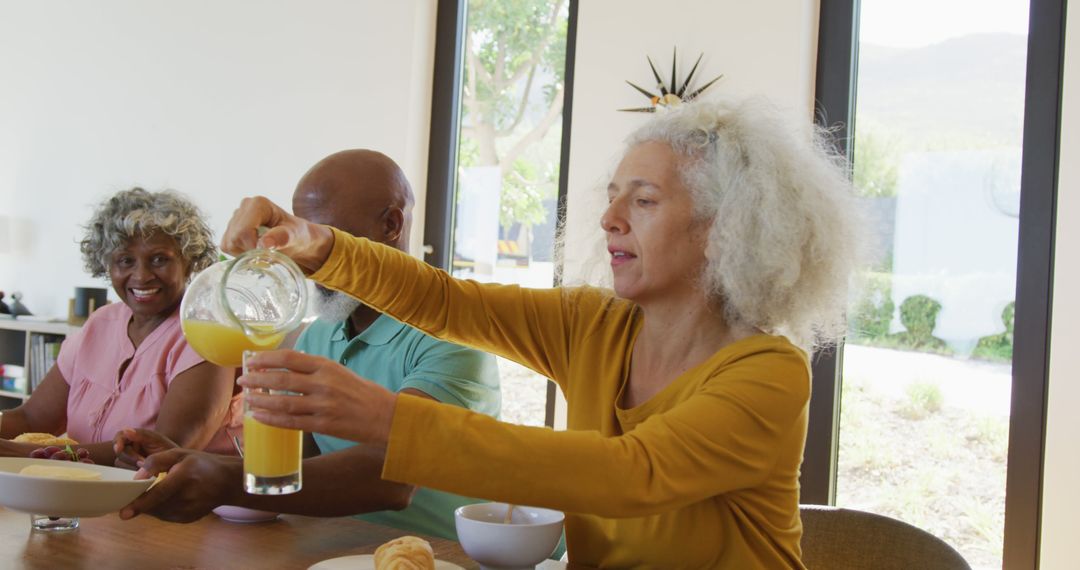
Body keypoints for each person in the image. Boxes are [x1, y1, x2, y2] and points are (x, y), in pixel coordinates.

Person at [131, 99, 862, 568]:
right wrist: (316, 244)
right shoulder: (595, 324)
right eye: (611, 198)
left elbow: (626, 476)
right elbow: (448, 301)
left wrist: (390, 418)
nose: (609, 220)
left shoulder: (768, 372)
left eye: (642, 201)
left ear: (727, 231)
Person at [116, 150, 501, 541]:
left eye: (321, 237)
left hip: (445, 557)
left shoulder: (452, 340)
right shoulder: (320, 334)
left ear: (390, 224)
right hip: (341, 549)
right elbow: (297, 464)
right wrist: (188, 462)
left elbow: (393, 477)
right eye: (297, 238)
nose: (302, 258)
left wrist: (226, 480)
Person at [0, 188, 240, 464]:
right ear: (107, 266)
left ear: (188, 261)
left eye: (159, 259)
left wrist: (23, 454)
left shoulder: (209, 335)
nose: (141, 276)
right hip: (84, 491)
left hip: (175, 502)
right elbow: (32, 418)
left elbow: (161, 453)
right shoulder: (99, 324)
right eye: (125, 261)